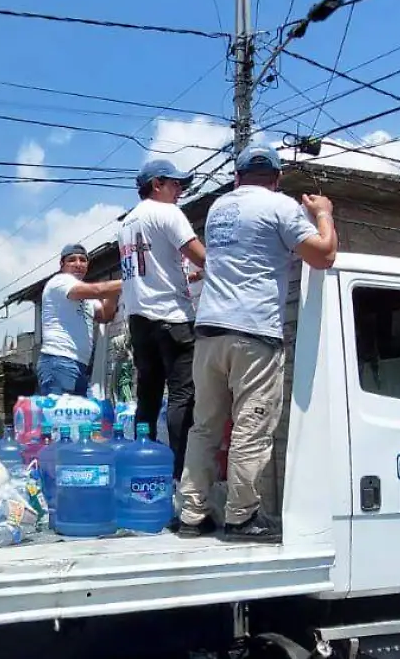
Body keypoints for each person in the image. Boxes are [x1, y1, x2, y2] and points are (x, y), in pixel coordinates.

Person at [176, 146, 337, 541]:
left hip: (210, 331)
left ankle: (192, 515)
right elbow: (324, 255)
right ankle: (242, 518)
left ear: (237, 177)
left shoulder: (219, 209)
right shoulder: (281, 207)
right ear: (277, 178)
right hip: (254, 332)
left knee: (205, 427)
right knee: (252, 427)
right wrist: (323, 214)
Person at [118, 158, 205, 480]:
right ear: (157, 185)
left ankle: (144, 470)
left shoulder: (127, 223)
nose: (180, 190)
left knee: (148, 396)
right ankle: (182, 478)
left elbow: (152, 270)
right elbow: (200, 255)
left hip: (139, 320)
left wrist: (188, 278)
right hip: (172, 318)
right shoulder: (167, 212)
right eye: (175, 184)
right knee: (183, 395)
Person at [38, 243, 122, 396]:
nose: (78, 264)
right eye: (72, 260)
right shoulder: (60, 281)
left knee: (82, 417)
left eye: (82, 260)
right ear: (62, 265)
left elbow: (105, 316)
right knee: (62, 417)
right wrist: (129, 280)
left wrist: (113, 291)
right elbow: (98, 290)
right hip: (59, 361)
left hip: (79, 365)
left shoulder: (84, 295)